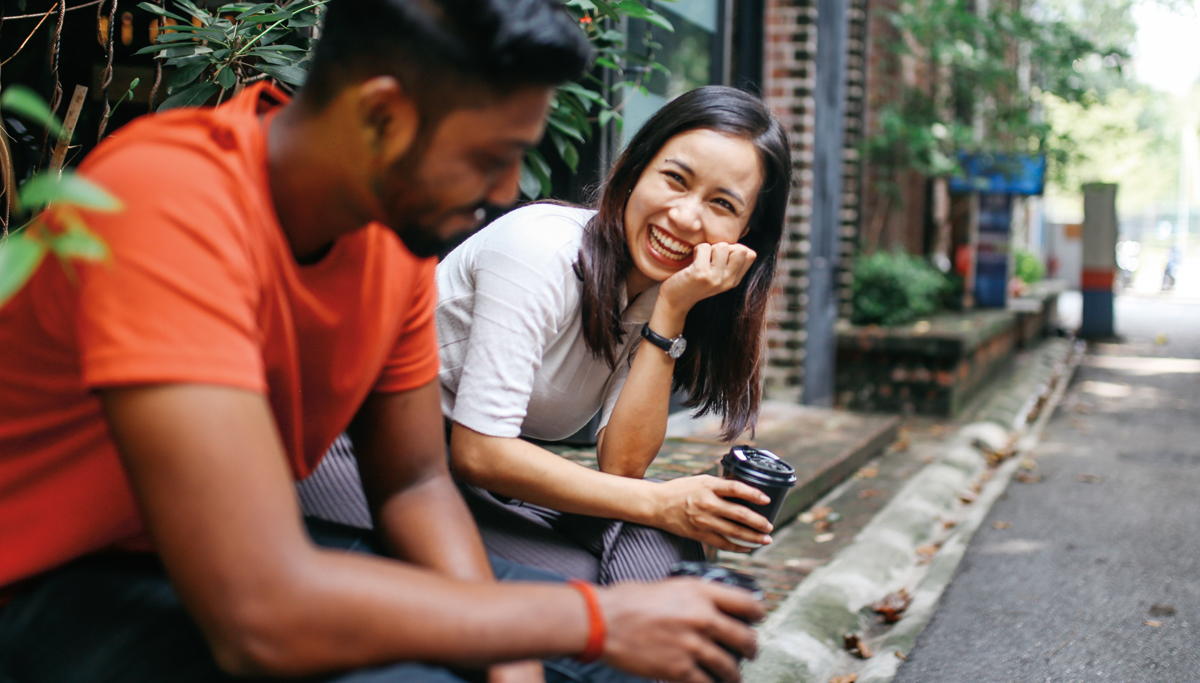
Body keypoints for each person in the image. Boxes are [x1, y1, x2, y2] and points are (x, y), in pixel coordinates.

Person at [0, 1, 764, 682]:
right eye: (490, 159)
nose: (504, 195)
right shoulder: (171, 204)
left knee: (649, 650)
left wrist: (512, 657)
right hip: (49, 581)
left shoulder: (392, 240)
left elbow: (413, 485)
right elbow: (258, 612)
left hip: (226, 562)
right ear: (381, 117)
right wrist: (588, 623)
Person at [301, 87, 793, 585]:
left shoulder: (665, 291)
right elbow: (481, 452)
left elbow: (621, 468)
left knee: (658, 549)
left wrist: (670, 312)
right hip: (360, 457)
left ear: (745, 234)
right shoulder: (539, 248)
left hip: (457, 484)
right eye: (674, 179)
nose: (686, 217)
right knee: (609, 578)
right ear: (636, 168)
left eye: (721, 204)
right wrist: (665, 501)